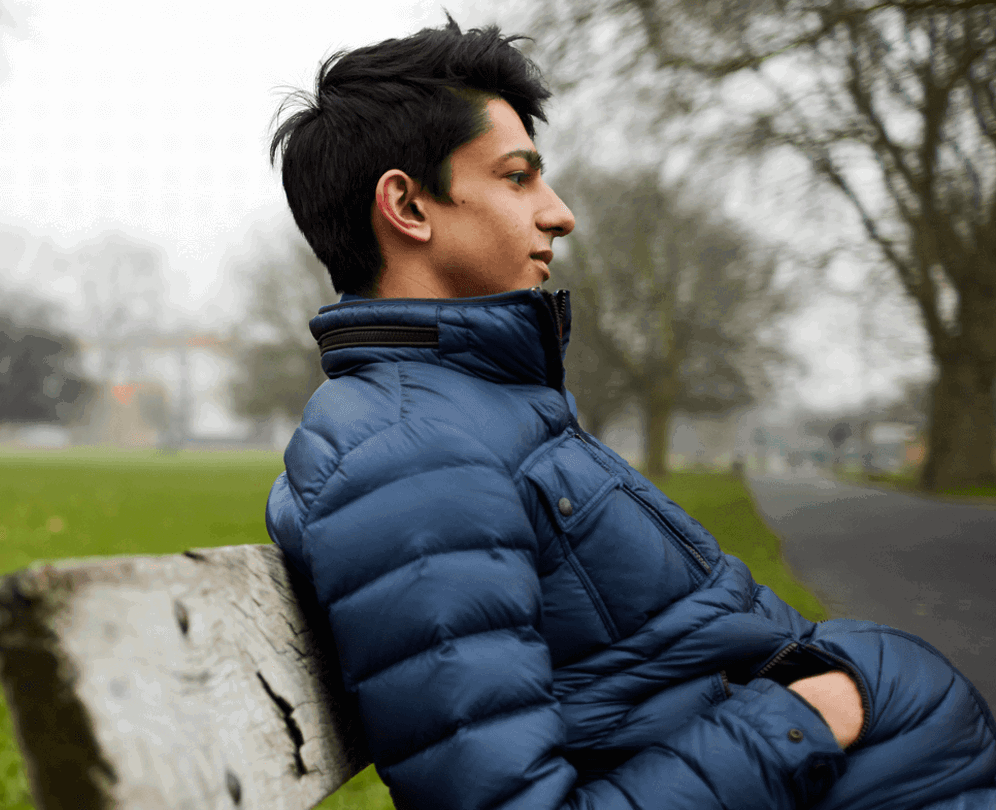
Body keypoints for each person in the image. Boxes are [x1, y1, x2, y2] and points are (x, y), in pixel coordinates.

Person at [262, 19, 996, 810]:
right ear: (407, 204)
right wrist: (805, 718)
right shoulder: (410, 456)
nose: (559, 213)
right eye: (518, 178)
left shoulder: (477, 410)